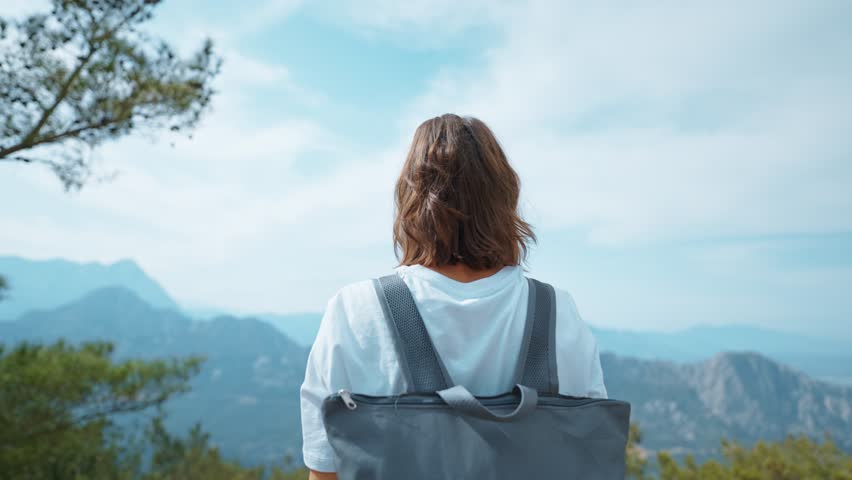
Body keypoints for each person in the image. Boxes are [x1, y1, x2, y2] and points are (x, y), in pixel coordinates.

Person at [299, 114, 607, 480]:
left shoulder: (354, 311)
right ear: (504, 199)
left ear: (411, 200)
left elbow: (324, 471)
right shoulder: (559, 314)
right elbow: (592, 459)